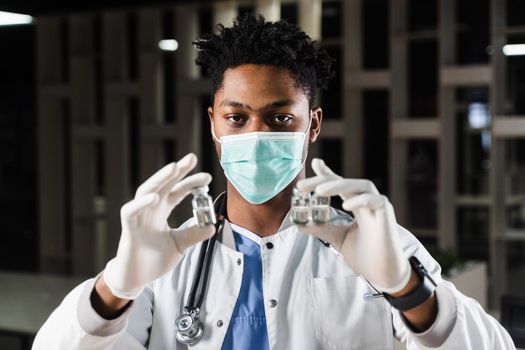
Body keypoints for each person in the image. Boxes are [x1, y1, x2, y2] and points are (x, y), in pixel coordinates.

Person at [33, 14, 515, 350]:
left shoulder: (377, 248)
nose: (257, 134)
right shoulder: (164, 263)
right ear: (214, 124)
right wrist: (115, 286)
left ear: (314, 124)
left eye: (280, 118)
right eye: (237, 118)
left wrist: (406, 288)